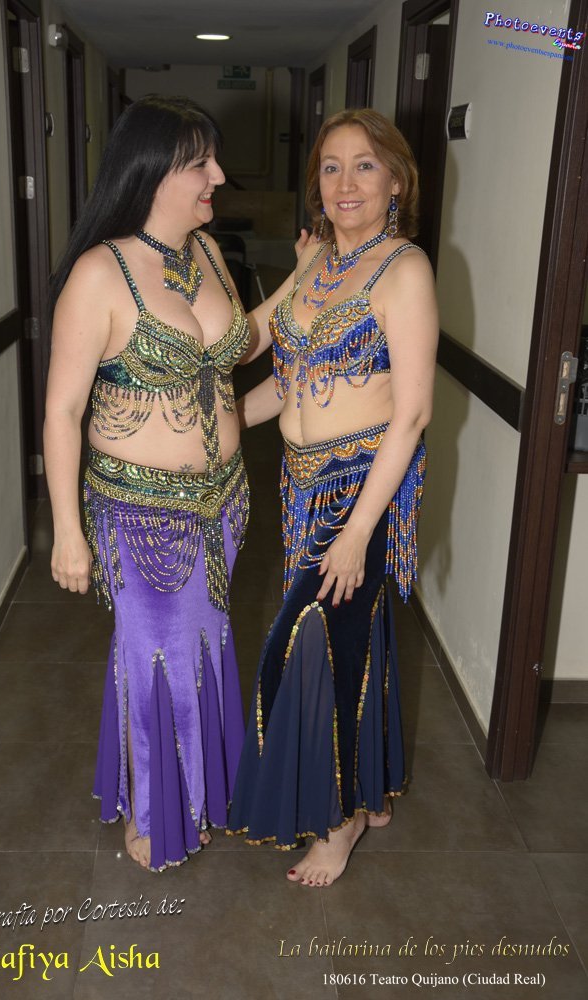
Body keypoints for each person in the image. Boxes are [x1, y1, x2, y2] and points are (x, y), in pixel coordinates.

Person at [44, 96, 259, 872]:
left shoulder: (207, 252)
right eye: (200, 163)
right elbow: (62, 412)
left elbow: (233, 355)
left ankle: (190, 794)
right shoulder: (99, 275)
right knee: (155, 662)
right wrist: (67, 533)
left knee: (198, 652)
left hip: (223, 503)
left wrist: (307, 290)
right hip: (138, 514)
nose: (218, 177)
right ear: (154, 171)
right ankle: (152, 812)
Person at [227, 108, 438, 887]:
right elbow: (269, 368)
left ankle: (341, 817)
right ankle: (370, 791)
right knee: (352, 638)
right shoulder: (316, 263)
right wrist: (214, 426)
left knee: (305, 647)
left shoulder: (403, 271)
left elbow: (410, 413)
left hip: (359, 489)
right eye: (330, 166)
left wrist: (356, 532)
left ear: (396, 181)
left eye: (364, 166)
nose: (345, 183)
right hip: (299, 484)